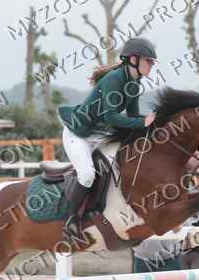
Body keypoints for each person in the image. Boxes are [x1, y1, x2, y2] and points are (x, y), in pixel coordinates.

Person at [57, 37, 158, 241]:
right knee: (87, 174)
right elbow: (111, 117)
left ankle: (99, 208)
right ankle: (70, 220)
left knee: (120, 164)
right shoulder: (114, 79)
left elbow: (132, 116)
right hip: (78, 134)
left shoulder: (134, 83)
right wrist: (143, 122)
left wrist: (154, 122)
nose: (152, 65)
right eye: (149, 61)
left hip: (99, 133)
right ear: (133, 59)